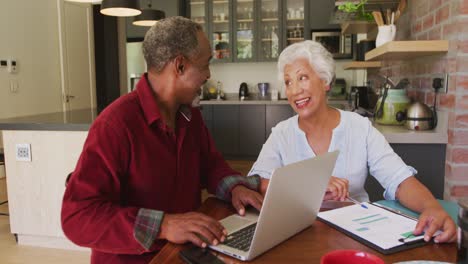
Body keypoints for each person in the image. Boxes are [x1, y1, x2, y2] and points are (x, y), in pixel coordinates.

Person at [61, 17, 263, 264]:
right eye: (206, 64)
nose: (208, 75)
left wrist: (235, 187)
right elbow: (77, 217)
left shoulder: (190, 117)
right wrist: (164, 225)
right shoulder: (115, 125)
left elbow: (210, 165)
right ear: (179, 66)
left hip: (184, 254)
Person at [248, 40, 456, 243]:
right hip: (297, 234)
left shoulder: (359, 127)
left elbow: (399, 180)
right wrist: (308, 184)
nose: (294, 90)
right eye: (288, 82)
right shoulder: (282, 134)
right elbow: (256, 183)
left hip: (354, 233)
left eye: (302, 77)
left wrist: (432, 208)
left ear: (325, 81)